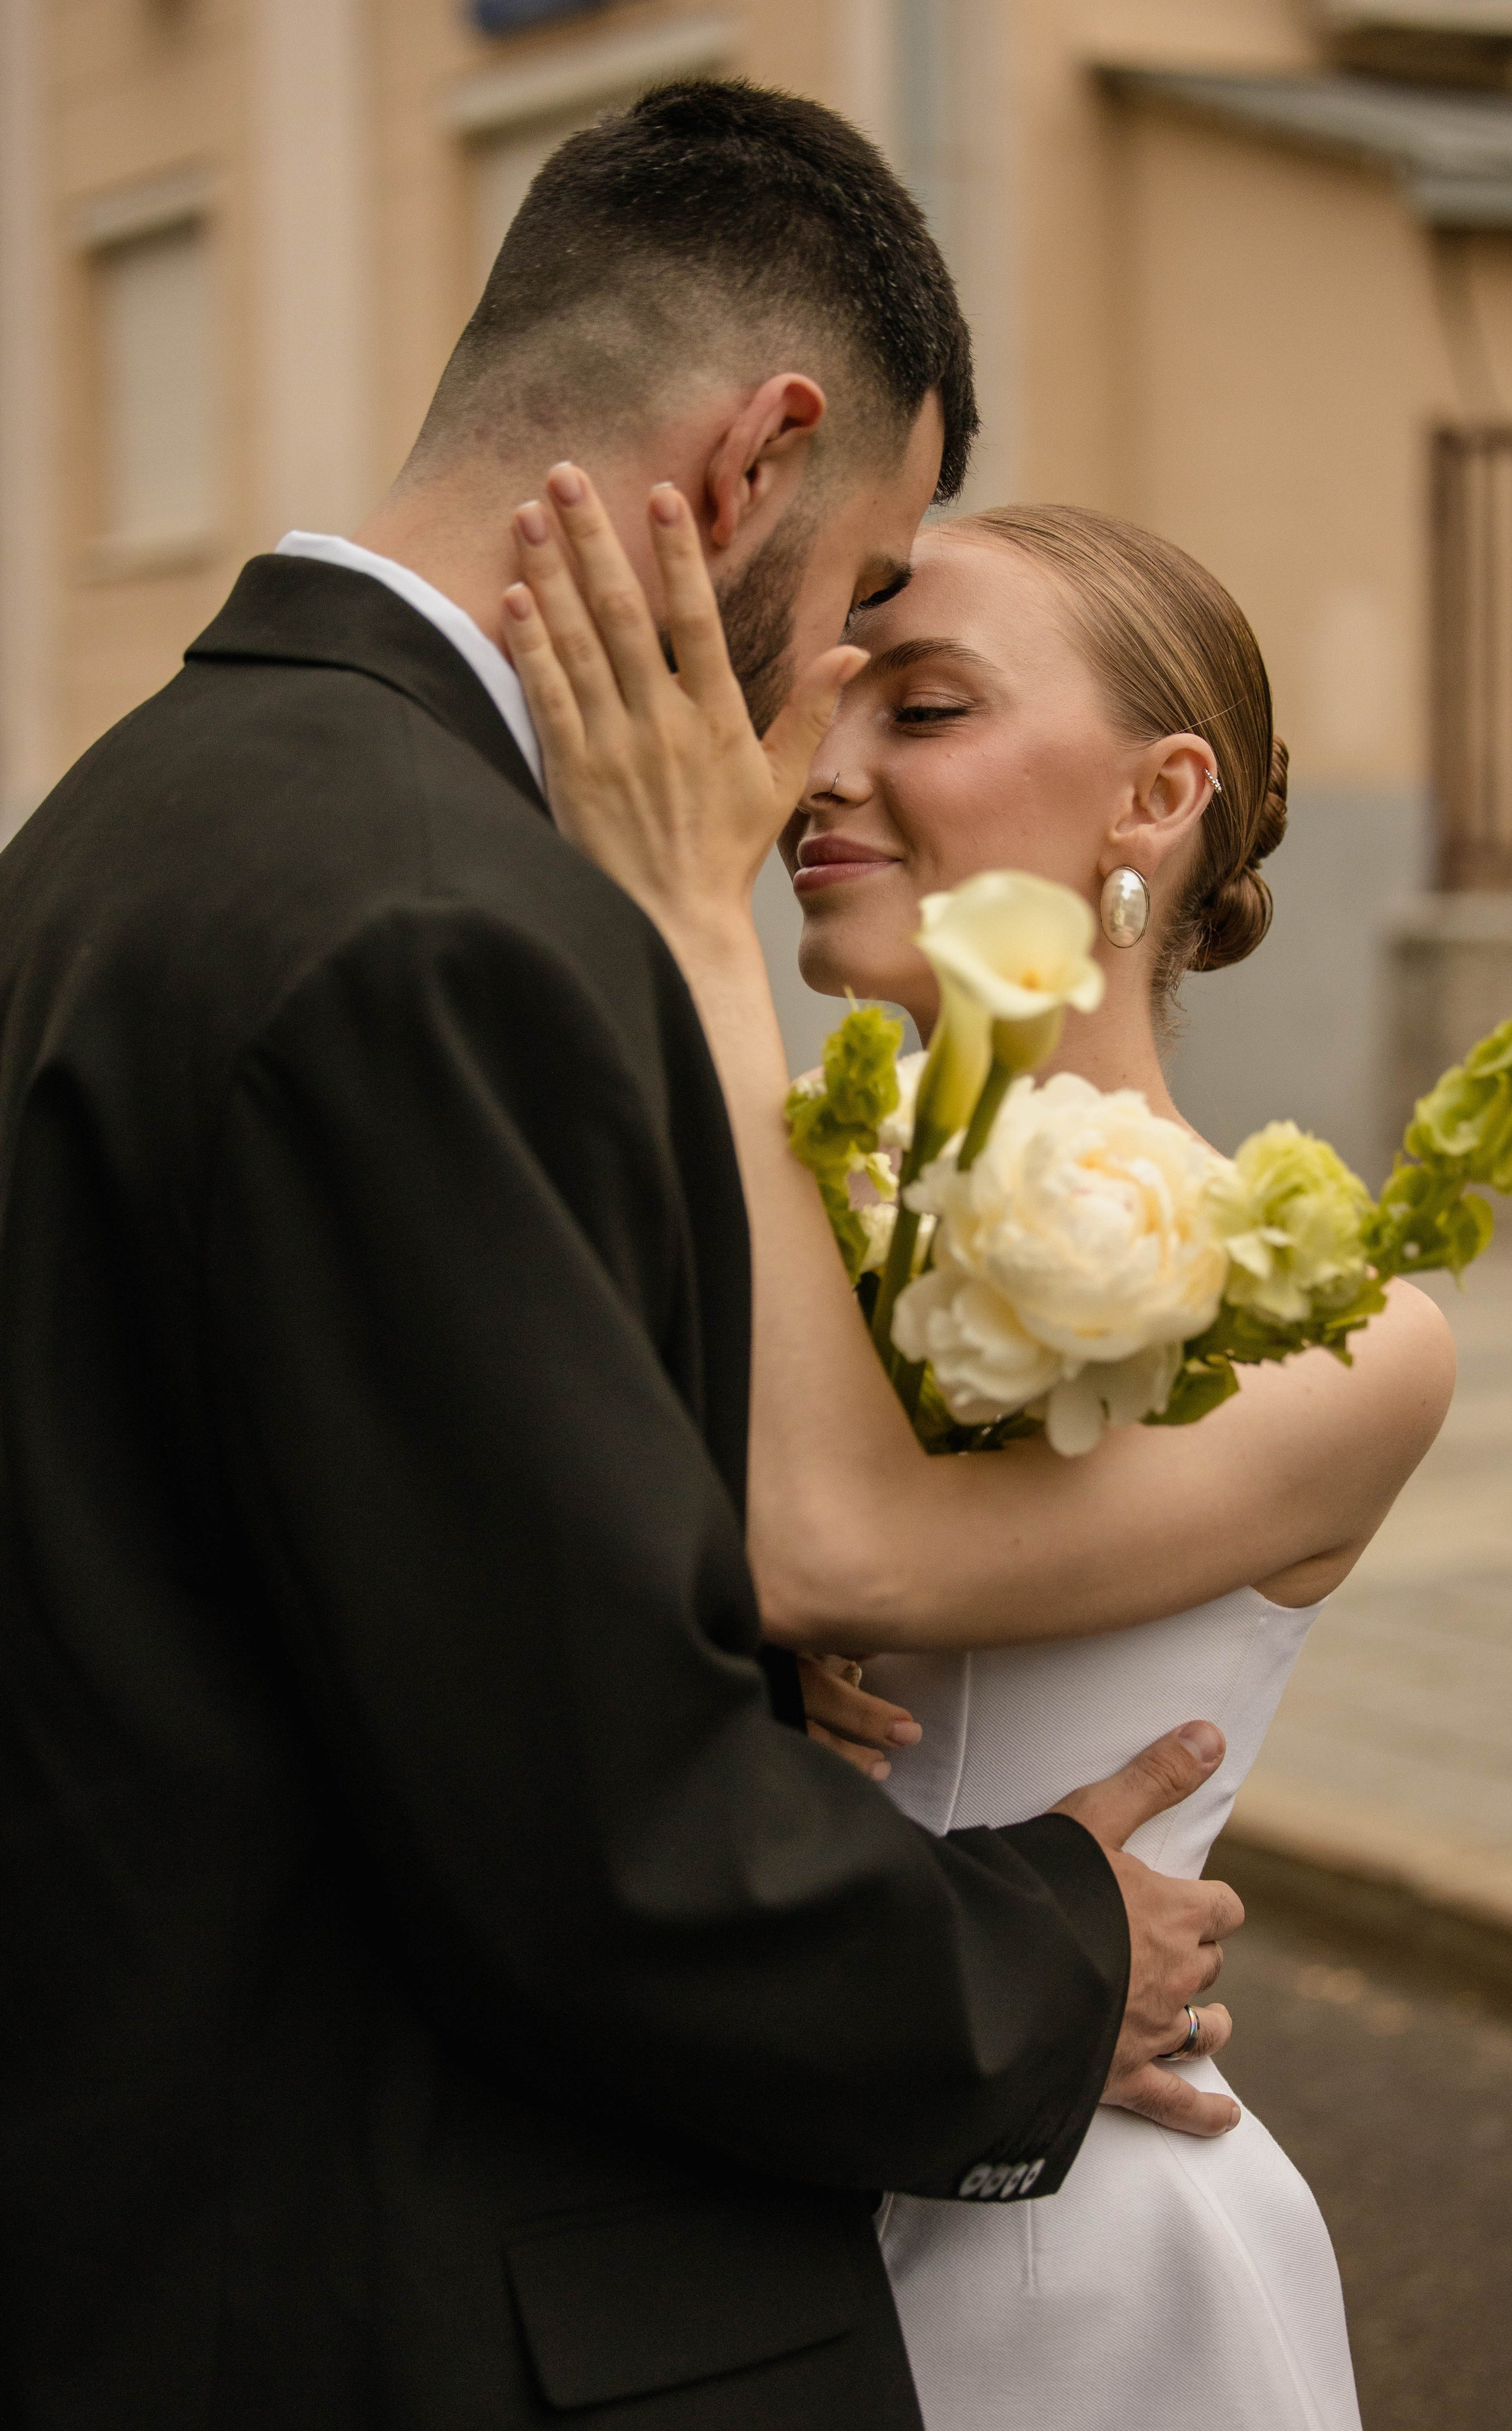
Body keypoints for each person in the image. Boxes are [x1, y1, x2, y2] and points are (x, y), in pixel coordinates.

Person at [0, 84, 1244, 2431]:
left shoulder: (125, 821)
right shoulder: (443, 928)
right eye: (868, 587)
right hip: (402, 2297)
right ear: (756, 466)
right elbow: (603, 1840)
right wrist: (1062, 1956)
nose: (835, 705)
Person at [497, 478, 1458, 2428]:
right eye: (823, 704)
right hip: (687, 2245)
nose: (821, 775)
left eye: (920, 710)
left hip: (1071, 2290)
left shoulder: (1357, 1333)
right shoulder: (757, 1213)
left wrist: (688, 915)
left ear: (1155, 797)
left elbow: (829, 1547)